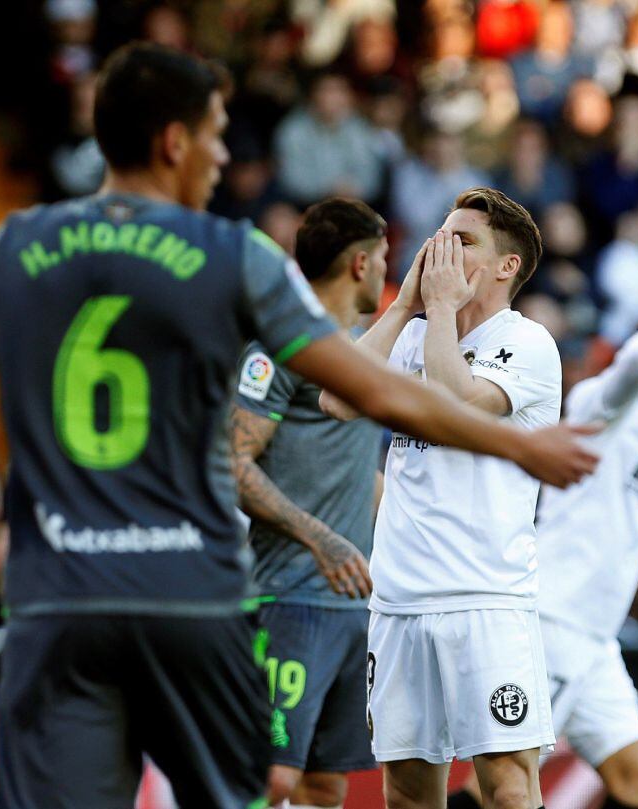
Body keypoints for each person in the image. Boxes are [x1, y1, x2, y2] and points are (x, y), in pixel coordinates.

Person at [0, 44, 597, 809]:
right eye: (215, 132)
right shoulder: (232, 254)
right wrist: (526, 444)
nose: (222, 153)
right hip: (190, 592)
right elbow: (356, 392)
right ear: (174, 142)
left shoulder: (16, 246)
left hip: (60, 594)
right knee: (257, 791)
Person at [450, 311, 638, 809]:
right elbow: (637, 358)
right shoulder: (601, 405)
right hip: (551, 622)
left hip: (596, 641)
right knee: (501, 788)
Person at [324, 188, 561, 809]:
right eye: (441, 235)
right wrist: (404, 306)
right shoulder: (410, 336)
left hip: (486, 598)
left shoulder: (528, 343)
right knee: (405, 791)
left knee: (508, 785)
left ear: (506, 266)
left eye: (464, 241)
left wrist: (441, 311)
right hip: (398, 599)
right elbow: (336, 400)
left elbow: (455, 400)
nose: (442, 249)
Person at [230, 197, 389, 809]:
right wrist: (319, 537)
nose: (384, 272)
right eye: (381, 259)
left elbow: (355, 473)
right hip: (289, 598)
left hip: (353, 604)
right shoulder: (278, 345)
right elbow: (234, 462)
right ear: (358, 264)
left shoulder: (353, 353)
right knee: (270, 779)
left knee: (326, 785)